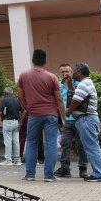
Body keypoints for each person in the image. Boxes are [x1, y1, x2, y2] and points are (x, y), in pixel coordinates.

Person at [17, 49, 65, 182]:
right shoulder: (52, 77)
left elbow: (20, 96)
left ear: (33, 60)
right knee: (51, 144)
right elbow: (59, 99)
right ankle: (49, 175)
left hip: (34, 114)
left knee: (31, 142)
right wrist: (64, 117)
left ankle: (30, 175)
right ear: (45, 61)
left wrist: (28, 107)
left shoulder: (23, 76)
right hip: (51, 114)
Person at [66, 63, 101, 183]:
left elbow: (76, 101)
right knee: (93, 147)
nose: (73, 73)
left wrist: (68, 111)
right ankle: (100, 173)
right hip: (88, 119)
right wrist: (70, 85)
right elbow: (77, 95)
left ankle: (99, 174)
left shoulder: (83, 84)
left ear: (79, 72)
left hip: (86, 119)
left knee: (92, 147)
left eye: (74, 71)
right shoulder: (86, 83)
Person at [56, 63, 87, 178]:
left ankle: (83, 169)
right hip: (67, 120)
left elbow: (77, 98)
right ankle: (65, 168)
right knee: (65, 143)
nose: (65, 74)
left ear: (71, 72)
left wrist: (70, 85)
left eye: (67, 71)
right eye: (62, 72)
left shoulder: (78, 84)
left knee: (81, 144)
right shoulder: (59, 86)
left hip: (79, 119)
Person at [0, 87, 22, 165]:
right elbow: (23, 111)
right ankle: (17, 160)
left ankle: (8, 160)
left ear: (5, 93)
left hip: (7, 121)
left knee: (8, 141)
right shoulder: (17, 100)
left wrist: (2, 117)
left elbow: (0, 112)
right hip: (16, 122)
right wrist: (20, 121)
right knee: (16, 141)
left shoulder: (4, 100)